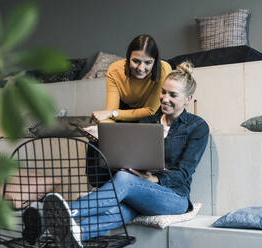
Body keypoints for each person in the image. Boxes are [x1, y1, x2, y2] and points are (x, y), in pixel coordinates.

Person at [38, 62, 209, 247]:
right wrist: (98, 142)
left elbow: (184, 173)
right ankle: (77, 233)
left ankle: (50, 217)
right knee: (122, 208)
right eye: (163, 92)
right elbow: (127, 158)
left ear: (188, 99)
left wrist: (153, 180)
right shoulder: (147, 122)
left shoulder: (197, 127)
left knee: (125, 180)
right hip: (139, 191)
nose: (165, 98)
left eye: (173, 95)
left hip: (174, 197)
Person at [91, 34, 172, 123]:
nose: (141, 68)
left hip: (153, 109)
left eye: (148, 62)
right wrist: (105, 124)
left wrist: (112, 113)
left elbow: (150, 110)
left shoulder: (164, 70)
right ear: (128, 58)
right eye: (136, 61)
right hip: (127, 105)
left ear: (155, 62)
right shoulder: (114, 71)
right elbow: (111, 112)